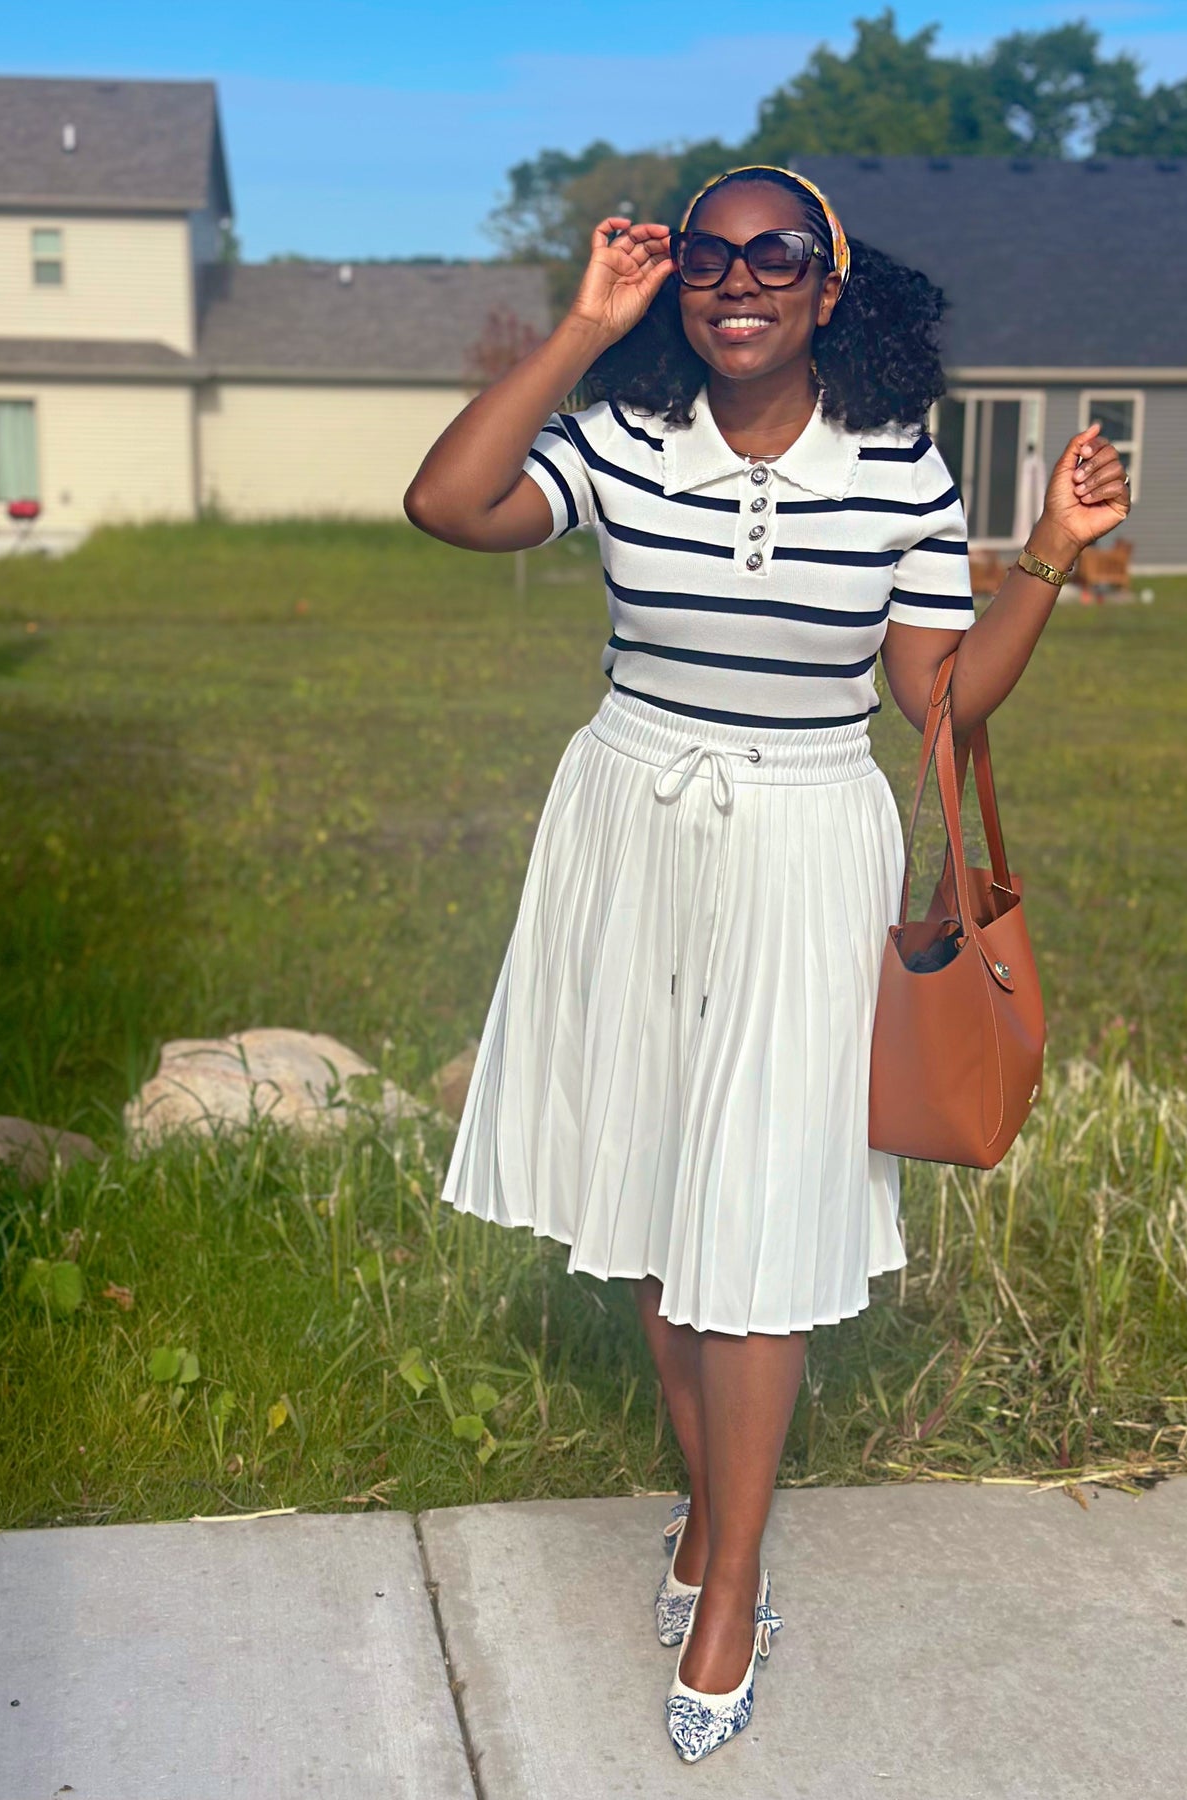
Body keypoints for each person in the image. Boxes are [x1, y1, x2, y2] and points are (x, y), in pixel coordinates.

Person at [404, 164, 1130, 1764]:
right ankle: (707, 1510)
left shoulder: (894, 463)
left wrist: (1045, 554)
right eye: (707, 257)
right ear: (674, 283)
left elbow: (940, 705)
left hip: (805, 840)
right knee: (659, 1202)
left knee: (754, 1210)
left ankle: (730, 1580)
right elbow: (448, 504)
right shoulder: (622, 433)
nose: (739, 280)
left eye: (776, 255)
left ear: (830, 284)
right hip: (627, 822)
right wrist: (579, 328)